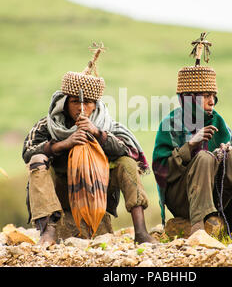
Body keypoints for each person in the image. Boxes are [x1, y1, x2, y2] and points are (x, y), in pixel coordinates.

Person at [22, 43, 156, 245]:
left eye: (88, 102)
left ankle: (141, 232)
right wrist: (63, 144)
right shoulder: (48, 124)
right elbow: (27, 152)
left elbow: (126, 150)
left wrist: (96, 133)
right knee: (38, 159)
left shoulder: (106, 124)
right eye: (75, 101)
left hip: (97, 188)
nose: (82, 108)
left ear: (96, 104)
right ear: (64, 102)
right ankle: (48, 232)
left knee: (127, 163)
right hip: (62, 189)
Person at [152, 33, 232, 238]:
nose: (212, 101)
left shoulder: (218, 122)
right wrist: (190, 147)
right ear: (189, 99)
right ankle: (198, 228)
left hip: (217, 194)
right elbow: (161, 171)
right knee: (203, 157)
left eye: (213, 96)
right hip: (184, 199)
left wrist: (224, 154)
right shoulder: (170, 124)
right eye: (205, 96)